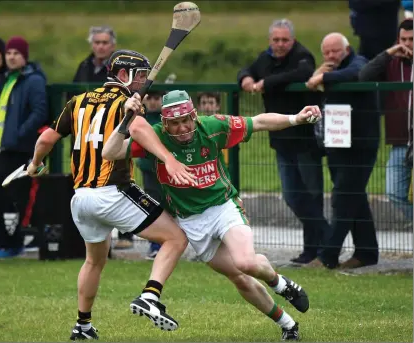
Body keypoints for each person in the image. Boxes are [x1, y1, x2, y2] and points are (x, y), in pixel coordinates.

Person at [103, 89, 320, 341]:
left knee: (246, 262)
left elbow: (258, 121)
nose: (182, 128)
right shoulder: (155, 139)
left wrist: (296, 118)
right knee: (239, 278)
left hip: (223, 206)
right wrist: (125, 121)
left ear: (194, 116)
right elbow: (109, 152)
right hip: (191, 221)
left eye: (186, 120)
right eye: (174, 123)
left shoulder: (213, 126)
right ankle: (288, 324)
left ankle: (281, 284)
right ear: (164, 123)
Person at [26, 50, 194, 340]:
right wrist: (168, 158)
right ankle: (150, 296)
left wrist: (35, 164)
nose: (143, 81)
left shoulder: (77, 102)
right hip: (113, 192)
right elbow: (139, 128)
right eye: (139, 75)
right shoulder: (127, 104)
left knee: (94, 261)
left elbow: (45, 139)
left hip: (80, 199)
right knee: (176, 238)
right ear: (123, 75)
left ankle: (83, 325)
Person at [237, 18, 330, 264]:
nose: (279, 45)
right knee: (291, 196)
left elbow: (302, 74)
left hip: (306, 141)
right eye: (276, 40)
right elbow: (246, 70)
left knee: (312, 195)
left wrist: (266, 83)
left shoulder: (302, 56)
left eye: (284, 40)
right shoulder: (264, 58)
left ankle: (318, 248)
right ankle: (324, 238)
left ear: (293, 40)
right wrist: (246, 79)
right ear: (270, 40)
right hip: (280, 141)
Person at [306, 33, 380, 269]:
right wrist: (320, 75)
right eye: (326, 52)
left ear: (346, 50)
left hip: (360, 145)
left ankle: (327, 256)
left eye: (335, 51)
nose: (330, 56)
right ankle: (367, 253)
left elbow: (357, 74)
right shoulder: (326, 72)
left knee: (343, 197)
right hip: (337, 144)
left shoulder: (358, 62)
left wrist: (322, 76)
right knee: (354, 197)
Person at [0, 36, 48, 260]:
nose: (11, 57)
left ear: (24, 56)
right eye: (9, 53)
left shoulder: (33, 80)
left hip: (15, 149)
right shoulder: (4, 78)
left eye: (16, 53)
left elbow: (39, 112)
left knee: (14, 198)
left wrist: (18, 135)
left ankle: (14, 244)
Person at [359, 19, 413, 222]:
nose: (407, 44)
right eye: (403, 39)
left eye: (412, 40)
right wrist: (388, 53)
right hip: (400, 140)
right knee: (394, 192)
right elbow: (364, 76)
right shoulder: (391, 62)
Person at [138, 91, 165, 260]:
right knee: (152, 207)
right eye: (150, 98)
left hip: (166, 170)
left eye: (157, 98)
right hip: (148, 170)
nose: (153, 102)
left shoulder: (167, 118)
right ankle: (155, 246)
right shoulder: (141, 118)